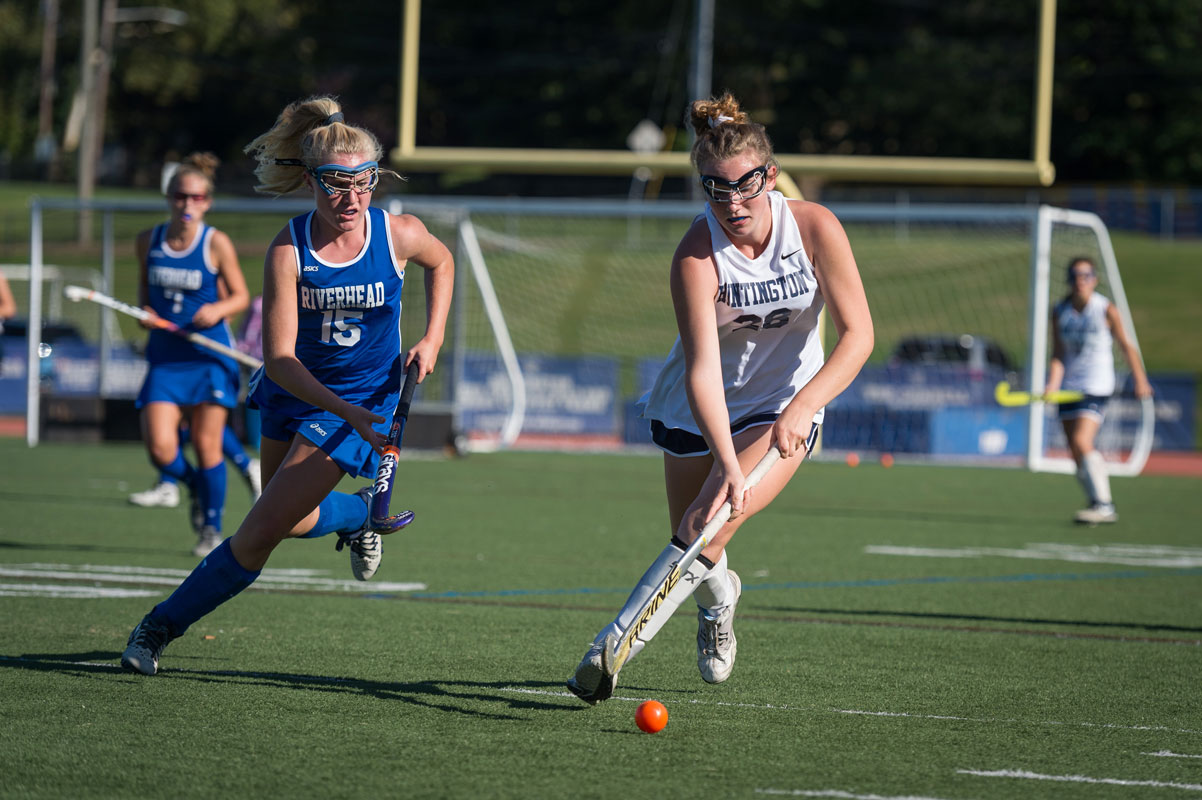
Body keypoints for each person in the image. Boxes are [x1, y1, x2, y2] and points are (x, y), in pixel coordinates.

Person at [121, 95, 454, 676]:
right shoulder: (288, 247)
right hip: (296, 391)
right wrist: (342, 410)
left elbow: (443, 262)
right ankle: (354, 517)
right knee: (290, 517)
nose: (350, 198)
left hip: (360, 401)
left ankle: (156, 629)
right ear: (309, 182)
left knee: (258, 533)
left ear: (376, 180)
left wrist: (432, 338)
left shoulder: (397, 234)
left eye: (363, 181)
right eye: (335, 183)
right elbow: (277, 359)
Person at [567, 92, 873, 704]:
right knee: (700, 543)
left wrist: (802, 407)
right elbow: (703, 371)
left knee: (704, 525)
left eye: (745, 186)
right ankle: (722, 601)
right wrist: (729, 464)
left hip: (781, 404)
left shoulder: (814, 227)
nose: (733, 203)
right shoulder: (696, 254)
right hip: (695, 409)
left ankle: (609, 649)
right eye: (715, 189)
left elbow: (859, 335)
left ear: (770, 173)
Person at [135, 152, 250, 557]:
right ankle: (197, 488)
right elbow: (144, 299)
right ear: (169, 197)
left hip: (209, 357)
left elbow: (240, 296)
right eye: (181, 197)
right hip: (166, 358)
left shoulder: (215, 242)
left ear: (207, 202)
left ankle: (211, 529)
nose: (188, 205)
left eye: (197, 198)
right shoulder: (148, 240)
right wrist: (145, 316)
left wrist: (216, 310)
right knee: (161, 450)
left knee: (206, 445)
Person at [1045, 256, 1152, 524]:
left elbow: (1126, 346)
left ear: (1095, 279)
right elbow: (1058, 353)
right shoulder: (1059, 311)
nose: (1081, 281)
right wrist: (1052, 384)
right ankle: (1095, 501)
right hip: (1069, 386)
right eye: (1075, 275)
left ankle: (1105, 504)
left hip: (1096, 384)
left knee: (1082, 441)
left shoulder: (1105, 309)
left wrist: (1140, 379)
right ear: (1069, 280)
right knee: (1074, 449)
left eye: (1086, 275)